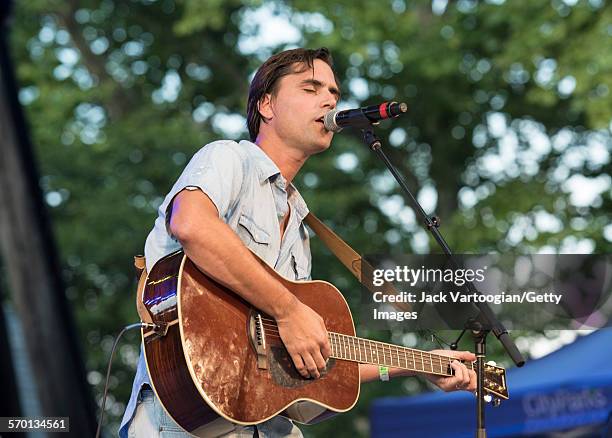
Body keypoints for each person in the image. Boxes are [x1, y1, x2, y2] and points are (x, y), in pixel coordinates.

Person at [119, 47, 476, 438]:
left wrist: (415, 363)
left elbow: (306, 358)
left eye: (334, 93)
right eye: (311, 88)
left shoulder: (302, 228)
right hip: (185, 420)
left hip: (266, 425)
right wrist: (289, 310)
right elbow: (191, 224)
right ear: (266, 105)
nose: (329, 100)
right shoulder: (228, 158)